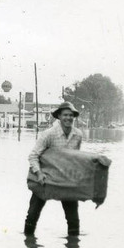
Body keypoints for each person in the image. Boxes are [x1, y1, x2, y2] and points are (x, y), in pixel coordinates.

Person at [25, 101, 83, 236]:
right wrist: (39, 173)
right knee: (32, 215)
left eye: (71, 115)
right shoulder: (48, 134)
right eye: (65, 115)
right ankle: (29, 245)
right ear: (59, 116)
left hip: (65, 180)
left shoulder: (78, 134)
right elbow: (33, 156)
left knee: (73, 219)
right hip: (45, 178)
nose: (68, 118)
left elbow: (76, 157)